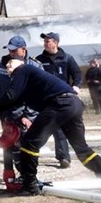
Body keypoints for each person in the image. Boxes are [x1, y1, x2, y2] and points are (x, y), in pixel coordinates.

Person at [0, 57, 101, 197]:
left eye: (10, 64)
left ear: (20, 63)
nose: (8, 68)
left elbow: (10, 95)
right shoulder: (27, 82)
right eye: (6, 67)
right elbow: (11, 102)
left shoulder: (24, 69)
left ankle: (29, 186)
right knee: (82, 148)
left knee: (30, 142)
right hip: (73, 103)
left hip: (59, 104)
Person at [0, 36, 42, 187]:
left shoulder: (34, 66)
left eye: (14, 50)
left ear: (23, 49)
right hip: (7, 112)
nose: (11, 53)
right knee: (7, 144)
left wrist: (28, 116)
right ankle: (10, 175)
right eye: (9, 50)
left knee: (25, 145)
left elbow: (38, 93)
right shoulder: (3, 64)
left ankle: (28, 178)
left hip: (26, 114)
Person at [35, 32, 82, 169]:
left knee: (64, 128)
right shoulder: (39, 60)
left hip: (64, 98)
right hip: (47, 98)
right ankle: (30, 153)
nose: (45, 43)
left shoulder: (66, 58)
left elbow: (77, 73)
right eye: (45, 41)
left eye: (48, 41)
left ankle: (67, 156)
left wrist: (76, 85)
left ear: (56, 43)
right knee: (48, 127)